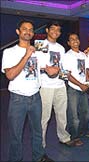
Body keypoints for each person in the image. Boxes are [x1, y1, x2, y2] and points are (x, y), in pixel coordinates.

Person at [1, 20, 53, 162]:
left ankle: (39, 157)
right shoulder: (9, 52)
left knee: (37, 132)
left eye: (31, 29)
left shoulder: (38, 52)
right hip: (18, 99)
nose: (28, 32)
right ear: (18, 31)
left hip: (36, 97)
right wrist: (26, 56)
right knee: (16, 135)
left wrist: (52, 71)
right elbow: (10, 75)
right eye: (24, 29)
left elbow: (46, 70)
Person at [38, 21, 71, 148]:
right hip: (46, 86)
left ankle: (64, 137)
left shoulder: (61, 48)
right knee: (44, 117)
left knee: (62, 114)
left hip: (60, 86)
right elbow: (37, 66)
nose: (55, 32)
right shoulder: (41, 45)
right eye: (52, 29)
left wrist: (64, 79)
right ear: (47, 30)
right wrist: (46, 70)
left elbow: (62, 67)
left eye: (58, 30)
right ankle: (41, 143)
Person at [62, 33, 89, 146]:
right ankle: (74, 136)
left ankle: (84, 131)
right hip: (73, 88)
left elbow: (86, 71)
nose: (75, 41)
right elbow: (67, 75)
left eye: (76, 39)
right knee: (74, 116)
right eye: (72, 39)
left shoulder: (83, 55)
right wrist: (80, 85)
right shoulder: (67, 56)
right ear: (69, 43)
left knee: (86, 114)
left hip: (83, 88)